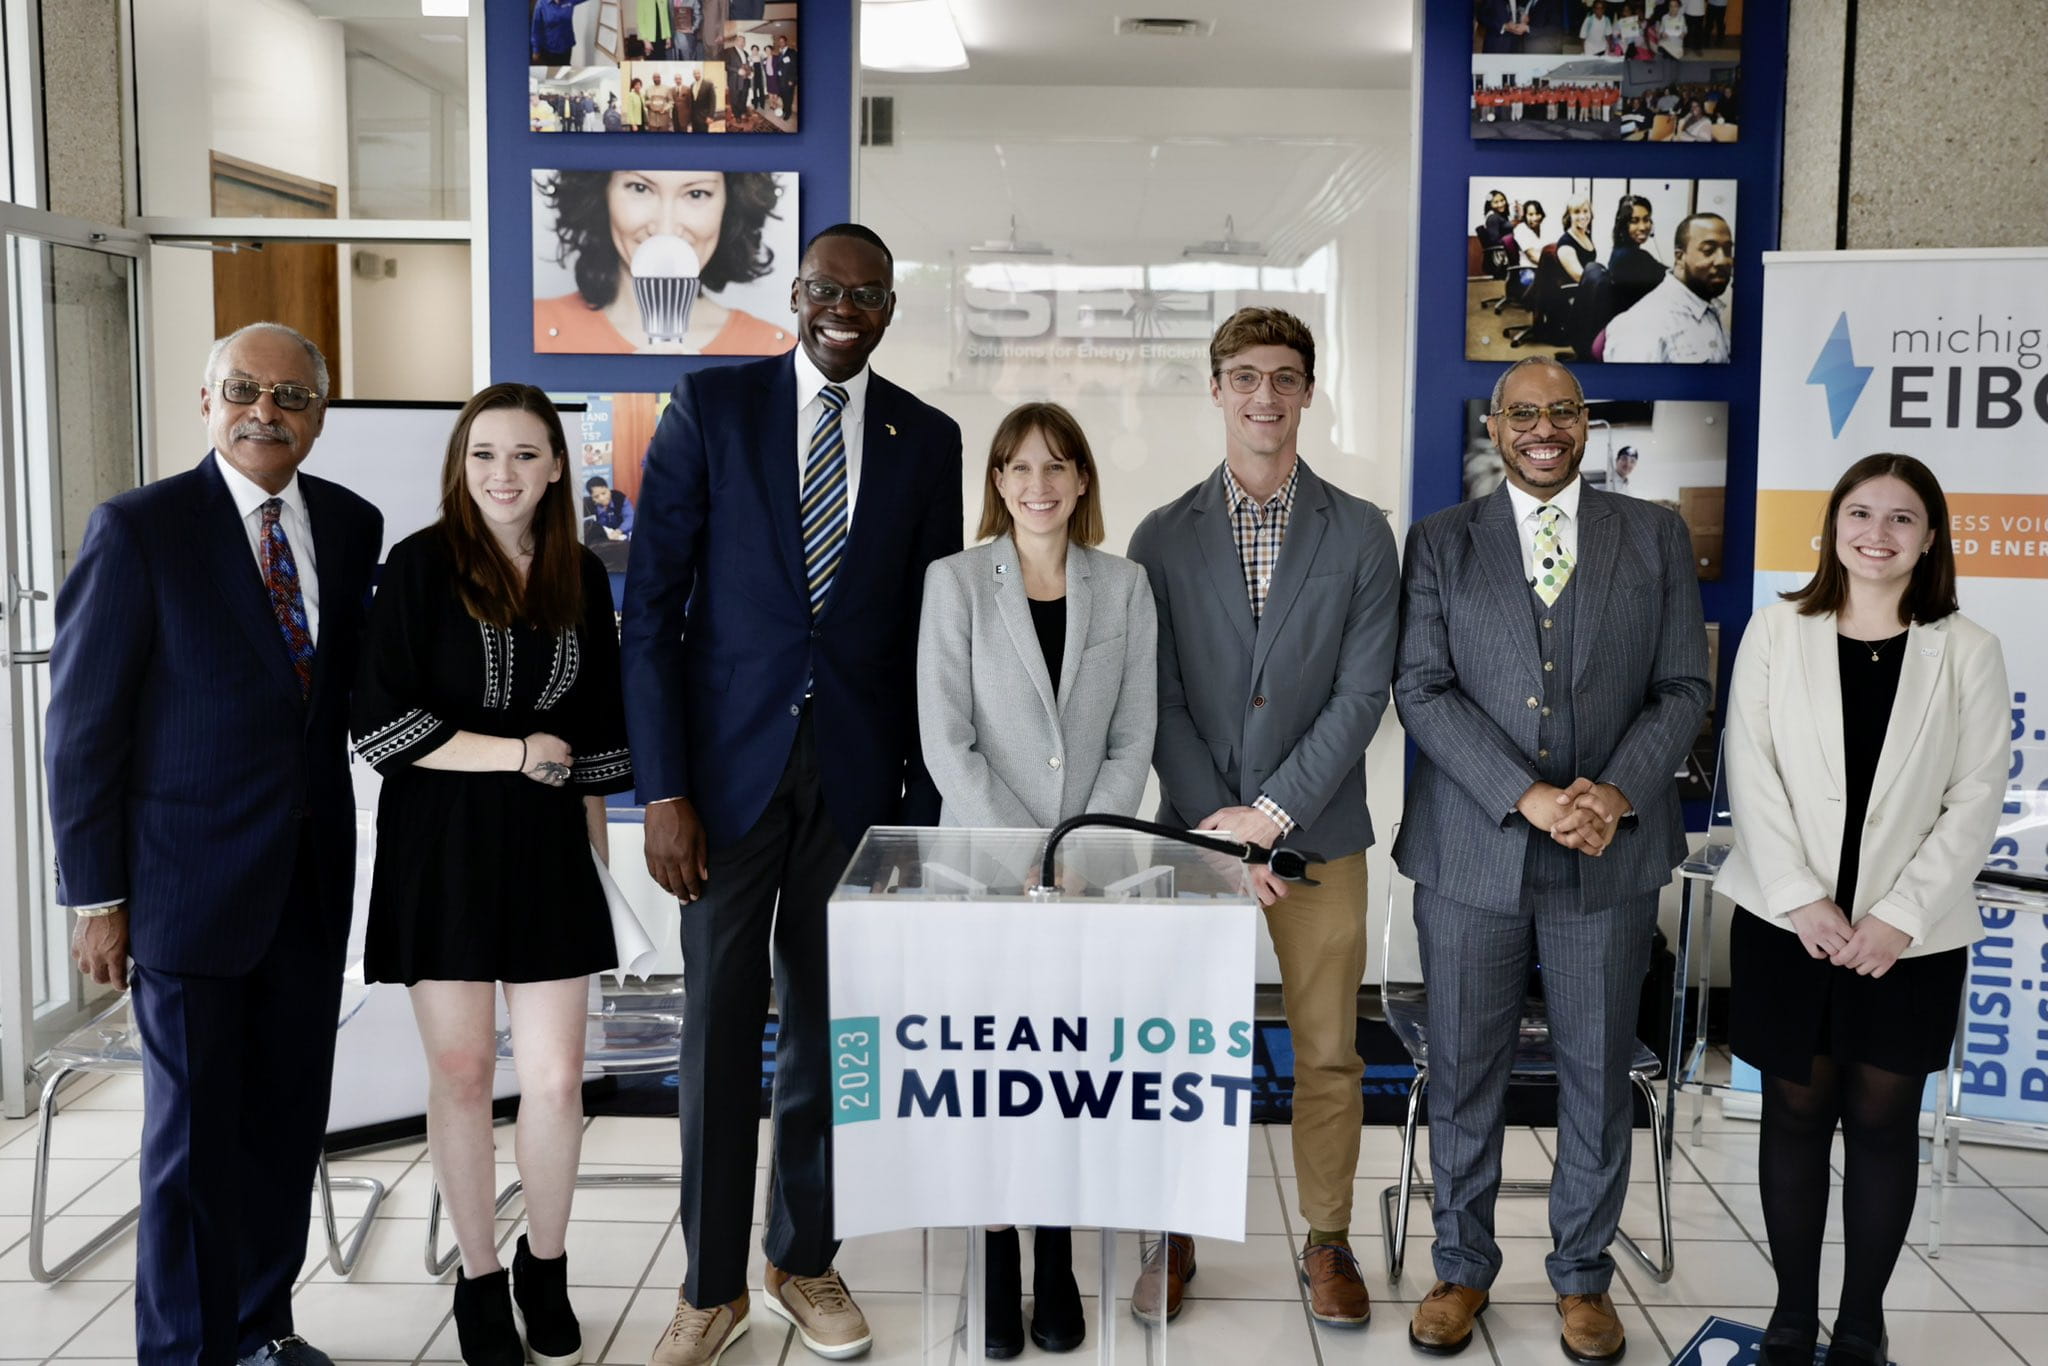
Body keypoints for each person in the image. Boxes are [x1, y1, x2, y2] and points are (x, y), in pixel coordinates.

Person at [622, 223, 963, 1366]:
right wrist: (661, 791)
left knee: (829, 1029)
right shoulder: (710, 409)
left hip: (860, 784)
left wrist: (916, 804)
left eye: (865, 294)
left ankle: (800, 1256)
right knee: (719, 1027)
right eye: (824, 288)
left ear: (888, 307)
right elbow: (649, 616)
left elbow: (930, 632)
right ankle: (711, 1284)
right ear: (794, 294)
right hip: (720, 785)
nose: (842, 308)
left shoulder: (929, 439)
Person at [46, 322, 383, 1366]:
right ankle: (187, 1353)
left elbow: (347, 699)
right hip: (185, 891)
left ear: (320, 415)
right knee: (193, 1147)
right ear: (206, 402)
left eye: (290, 396)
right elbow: (82, 727)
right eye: (243, 389)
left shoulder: (350, 522)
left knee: (284, 1130)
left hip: (310, 882)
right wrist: (96, 894)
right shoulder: (140, 529)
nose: (265, 412)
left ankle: (258, 1331)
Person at [1393, 356, 1709, 1363]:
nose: (1542, 428)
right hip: (1471, 853)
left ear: (1585, 422)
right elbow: (1421, 687)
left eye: (1560, 411)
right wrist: (1524, 795)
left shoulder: (1652, 534)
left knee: (1593, 1070)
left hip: (1607, 856)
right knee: (1465, 1071)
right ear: (1493, 424)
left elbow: (1681, 689)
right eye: (1521, 413)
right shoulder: (1441, 542)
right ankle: (1460, 1265)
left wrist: (1613, 793)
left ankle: (1581, 1274)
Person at [1126, 307, 1400, 1331]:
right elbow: (1156, 699)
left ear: (1307, 392)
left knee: (1328, 1050)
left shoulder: (1359, 531)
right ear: (1214, 391)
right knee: (1181, 1049)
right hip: (1191, 840)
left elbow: (1360, 693)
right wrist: (1215, 822)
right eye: (1243, 377)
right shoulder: (1158, 536)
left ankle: (1324, 1239)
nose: (1263, 398)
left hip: (1317, 838)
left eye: (1283, 378)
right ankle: (1173, 1228)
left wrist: (1271, 814)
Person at [350, 385, 632, 1366]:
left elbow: (596, 737)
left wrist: (597, 873)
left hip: (551, 850)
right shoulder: (418, 566)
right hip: (443, 847)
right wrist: (515, 755)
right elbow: (383, 725)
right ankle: (476, 1277)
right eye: (482, 456)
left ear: (558, 465)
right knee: (465, 1074)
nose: (501, 475)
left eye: (522, 455)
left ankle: (542, 1265)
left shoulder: (581, 577)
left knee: (556, 1080)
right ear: (459, 468)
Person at [1715, 455, 2007, 1366]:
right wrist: (1801, 898)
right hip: (1786, 923)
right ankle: (1793, 1318)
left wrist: (1900, 918)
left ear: (1931, 538)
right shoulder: (1777, 631)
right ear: (1832, 525)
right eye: (1860, 513)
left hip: (1906, 942)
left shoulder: (1968, 648)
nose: (1877, 534)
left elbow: (1977, 797)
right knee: (1794, 1118)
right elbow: (1749, 771)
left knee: (1883, 1125)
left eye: (1902, 519)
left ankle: (1862, 1325)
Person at [916, 402, 1157, 1358]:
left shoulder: (1126, 585)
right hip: (980, 870)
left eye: (1057, 466)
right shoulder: (956, 582)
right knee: (988, 1071)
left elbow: (1134, 734)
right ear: (998, 483)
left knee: (1064, 1068)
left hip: (1086, 872)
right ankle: (996, 1250)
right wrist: (1022, 845)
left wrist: (1075, 847)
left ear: (1084, 479)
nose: (1039, 485)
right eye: (1018, 468)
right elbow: (945, 736)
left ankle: (1055, 1255)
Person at [535, 169, 794, 355]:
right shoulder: (538, 330)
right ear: (601, 194)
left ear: (731, 203)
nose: (665, 228)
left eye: (697, 193)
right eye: (640, 188)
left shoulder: (777, 350)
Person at [1603, 211, 1734, 364]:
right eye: (1708, 250)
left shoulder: (1709, 309)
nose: (1723, 261)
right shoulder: (1642, 327)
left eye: (1727, 250)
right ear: (1679, 257)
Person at [530, 0, 589, 65]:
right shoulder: (541, 3)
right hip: (549, 49)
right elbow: (537, 29)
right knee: (551, 72)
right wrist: (536, 50)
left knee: (565, 69)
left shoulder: (569, 1)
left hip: (567, 46)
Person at [584, 474, 635, 543]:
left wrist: (619, 531)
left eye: (604, 493)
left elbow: (630, 517)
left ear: (608, 489)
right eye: (596, 497)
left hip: (622, 533)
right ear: (592, 498)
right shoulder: (587, 505)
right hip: (601, 539)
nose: (602, 498)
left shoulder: (619, 497)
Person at [776, 34, 799, 120]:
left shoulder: (792, 52)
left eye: (782, 41)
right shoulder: (780, 53)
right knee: (783, 96)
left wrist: (792, 80)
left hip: (789, 80)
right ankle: (785, 109)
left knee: (789, 97)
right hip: (781, 80)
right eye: (779, 42)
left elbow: (795, 67)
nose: (781, 43)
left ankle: (788, 112)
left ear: (786, 42)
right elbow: (779, 66)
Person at [688, 68, 715, 132]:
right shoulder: (692, 85)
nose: (696, 75)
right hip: (694, 116)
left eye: (698, 73)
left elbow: (713, 101)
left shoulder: (708, 84)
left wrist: (710, 116)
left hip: (704, 116)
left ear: (701, 74)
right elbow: (692, 101)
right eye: (694, 74)